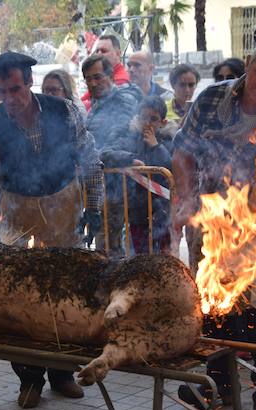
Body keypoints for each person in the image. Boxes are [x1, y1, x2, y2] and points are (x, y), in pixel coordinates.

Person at [172, 28, 256, 410]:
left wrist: (242, 237)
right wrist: (185, 198)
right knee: (211, 308)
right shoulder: (212, 97)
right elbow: (183, 152)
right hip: (205, 220)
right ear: (249, 66)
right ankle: (219, 384)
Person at [0, 52, 104, 408]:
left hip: (64, 208)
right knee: (23, 299)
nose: (9, 100)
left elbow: (90, 160)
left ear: (29, 82)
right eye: (1, 92)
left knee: (65, 294)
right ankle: (29, 379)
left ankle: (62, 373)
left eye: (15, 89)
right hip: (18, 214)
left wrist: (94, 207)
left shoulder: (65, 111)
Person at [83, 54, 142, 257]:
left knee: (114, 250)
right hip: (102, 187)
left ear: (111, 75)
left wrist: (93, 156)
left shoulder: (123, 101)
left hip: (120, 187)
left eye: (98, 77)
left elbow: (119, 141)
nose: (93, 83)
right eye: (88, 79)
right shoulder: (96, 107)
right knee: (105, 248)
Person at [100, 95, 173, 255]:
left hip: (163, 213)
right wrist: (130, 159)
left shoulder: (168, 141)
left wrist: (156, 146)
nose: (147, 123)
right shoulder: (128, 139)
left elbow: (169, 167)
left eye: (153, 119)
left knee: (164, 257)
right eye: (144, 117)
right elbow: (105, 153)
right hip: (137, 211)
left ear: (163, 122)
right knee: (139, 257)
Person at [80, 34, 131, 110]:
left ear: (118, 54)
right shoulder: (109, 76)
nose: (99, 54)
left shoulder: (121, 80)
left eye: (104, 51)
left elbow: (85, 105)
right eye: (97, 51)